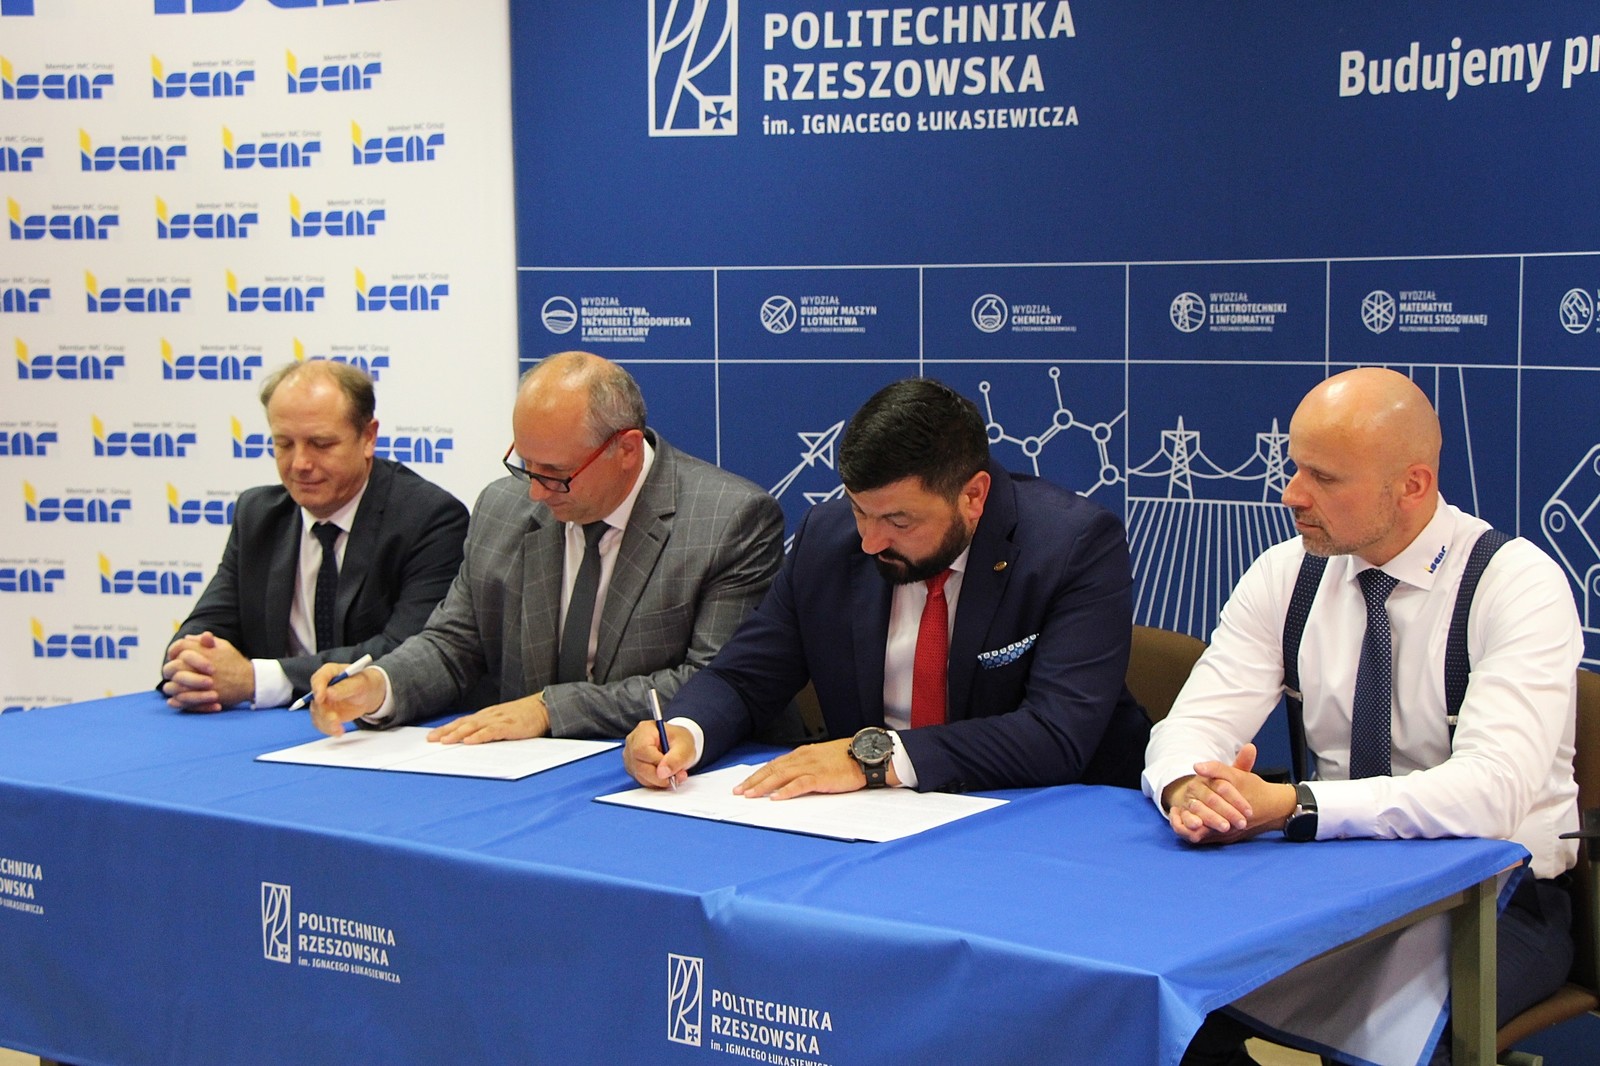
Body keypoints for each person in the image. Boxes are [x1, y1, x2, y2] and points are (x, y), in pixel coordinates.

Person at [1143, 368, 1581, 1066]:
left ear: (1412, 485)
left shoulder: (1516, 584)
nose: (1292, 494)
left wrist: (1294, 806)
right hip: (1331, 879)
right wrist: (1188, 786)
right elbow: (1191, 724)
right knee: (1157, 1001)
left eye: (1323, 477)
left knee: (1408, 1046)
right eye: (1295, 467)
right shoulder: (1286, 574)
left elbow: (1491, 794)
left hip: (1497, 897)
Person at [623, 376, 1151, 798]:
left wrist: (872, 759)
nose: (870, 541)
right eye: (859, 510)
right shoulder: (828, 540)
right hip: (876, 821)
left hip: (1048, 816)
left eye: (899, 521)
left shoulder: (1073, 545)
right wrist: (685, 732)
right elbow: (744, 679)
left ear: (973, 496)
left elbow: (1055, 734)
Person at [306, 351, 786, 742]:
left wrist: (548, 709)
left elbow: (711, 681)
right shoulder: (503, 507)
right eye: (525, 464)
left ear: (626, 450)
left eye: (556, 473)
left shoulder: (727, 520)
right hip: (523, 773)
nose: (535, 492)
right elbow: (454, 644)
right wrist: (379, 685)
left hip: (662, 772)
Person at [160, 360, 469, 711]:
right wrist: (193, 664)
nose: (300, 464)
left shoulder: (429, 518)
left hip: (377, 727)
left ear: (368, 437)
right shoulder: (258, 515)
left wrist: (258, 679)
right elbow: (205, 628)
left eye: (320, 444)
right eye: (284, 444)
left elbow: (410, 654)